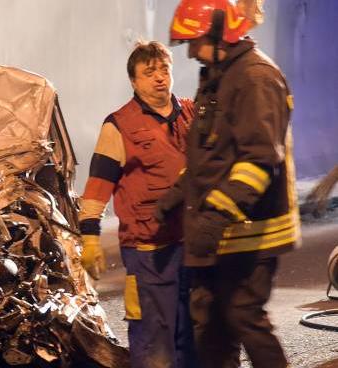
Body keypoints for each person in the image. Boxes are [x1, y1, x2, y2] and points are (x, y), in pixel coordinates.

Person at [162, 1, 299, 367]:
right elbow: (211, 154)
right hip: (223, 232)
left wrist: (214, 217)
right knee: (212, 325)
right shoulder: (221, 73)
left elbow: (258, 161)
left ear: (222, 32)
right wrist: (176, 196)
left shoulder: (255, 78)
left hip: (251, 232)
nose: (190, 51)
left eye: (195, 41)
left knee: (243, 315)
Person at [79, 41, 196, 368]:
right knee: (153, 340)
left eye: (164, 69)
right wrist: (90, 236)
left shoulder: (191, 112)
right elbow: (99, 182)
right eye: (149, 72)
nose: (159, 77)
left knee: (192, 335)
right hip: (147, 252)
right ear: (134, 81)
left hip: (191, 245)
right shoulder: (119, 125)